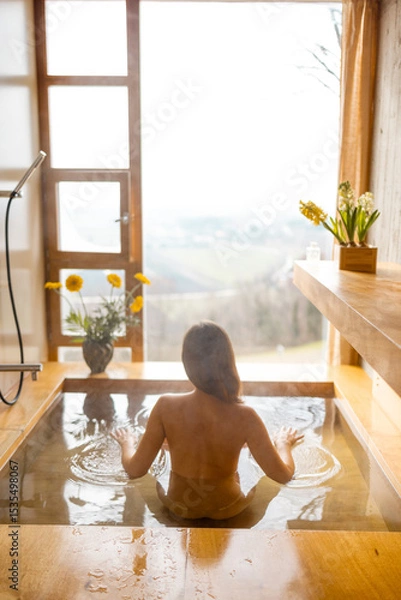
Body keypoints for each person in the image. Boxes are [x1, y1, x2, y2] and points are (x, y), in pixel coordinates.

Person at [111, 321, 303, 520]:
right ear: (228, 362)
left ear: (187, 363)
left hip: (178, 509)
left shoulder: (165, 407)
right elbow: (283, 475)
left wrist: (128, 443)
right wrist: (283, 443)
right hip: (229, 511)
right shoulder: (246, 417)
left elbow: (134, 470)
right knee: (261, 490)